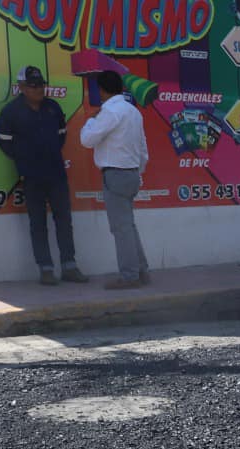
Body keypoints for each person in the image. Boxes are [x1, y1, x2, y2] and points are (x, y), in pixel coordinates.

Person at [0, 67, 87, 286]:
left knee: (64, 220)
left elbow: (61, 136)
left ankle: (69, 266)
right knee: (38, 223)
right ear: (22, 88)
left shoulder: (53, 108)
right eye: (33, 85)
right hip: (31, 176)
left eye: (41, 84)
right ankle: (46, 269)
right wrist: (26, 160)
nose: (39, 89)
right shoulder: (11, 112)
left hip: (56, 173)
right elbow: (5, 143)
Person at [79, 70, 150, 290]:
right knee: (128, 225)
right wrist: (138, 171)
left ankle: (130, 276)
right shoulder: (133, 112)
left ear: (101, 90)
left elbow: (87, 140)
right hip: (131, 173)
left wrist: (90, 120)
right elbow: (143, 149)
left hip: (116, 173)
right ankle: (141, 270)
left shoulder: (109, 112)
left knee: (121, 228)